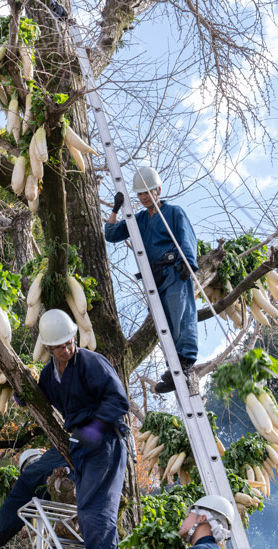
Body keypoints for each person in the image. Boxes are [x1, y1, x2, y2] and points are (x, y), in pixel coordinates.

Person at [0, 309, 131, 549]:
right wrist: (23, 397)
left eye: (70, 341)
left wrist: (93, 430)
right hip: (76, 443)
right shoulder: (50, 374)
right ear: (48, 347)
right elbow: (40, 397)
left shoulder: (91, 362)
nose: (67, 348)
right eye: (59, 346)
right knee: (29, 478)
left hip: (104, 438)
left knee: (95, 502)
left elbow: (119, 401)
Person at [105, 166, 199, 394]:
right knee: (164, 324)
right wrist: (116, 209)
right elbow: (111, 234)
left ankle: (185, 364)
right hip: (153, 279)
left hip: (175, 272)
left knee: (181, 315)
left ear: (158, 189)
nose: (144, 197)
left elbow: (186, 237)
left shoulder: (174, 213)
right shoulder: (138, 220)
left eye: (147, 192)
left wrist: (188, 263)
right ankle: (173, 369)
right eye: (140, 194)